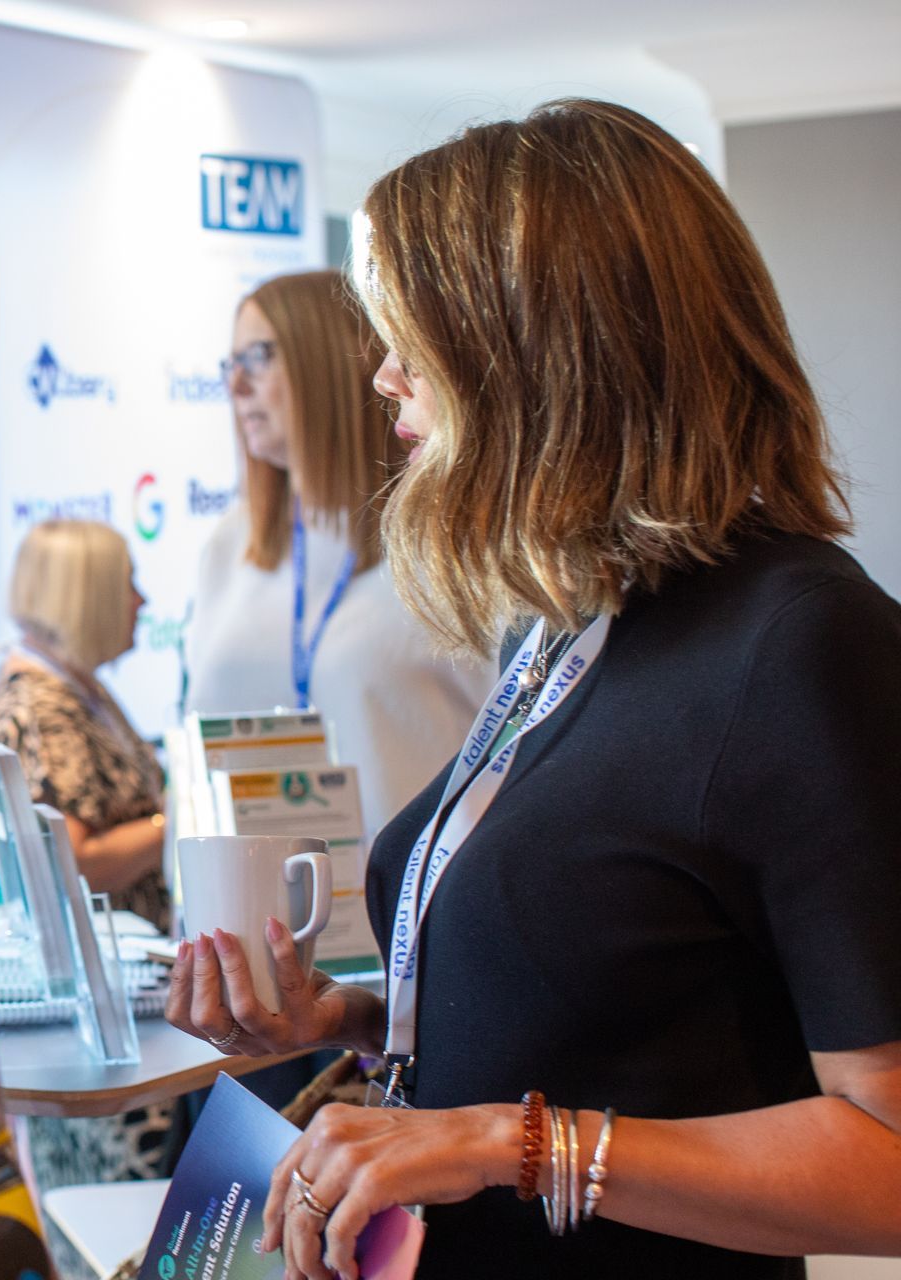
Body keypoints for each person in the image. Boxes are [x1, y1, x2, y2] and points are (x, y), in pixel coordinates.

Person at [166, 99, 901, 1279]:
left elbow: (888, 1156)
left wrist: (516, 1142)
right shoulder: (565, 616)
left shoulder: (802, 642)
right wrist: (354, 1017)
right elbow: (612, 992)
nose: (386, 375)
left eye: (413, 334)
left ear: (538, 350)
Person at [185, 268, 489, 842]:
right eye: (231, 364)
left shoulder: (444, 542)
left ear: (331, 360)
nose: (236, 386)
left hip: (407, 917)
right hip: (254, 920)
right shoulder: (231, 545)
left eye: (258, 357)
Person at [0, 519, 167, 929]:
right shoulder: (42, 711)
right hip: (109, 966)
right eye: (128, 585)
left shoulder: (78, 688)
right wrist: (176, 826)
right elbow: (76, 866)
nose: (142, 602)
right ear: (90, 600)